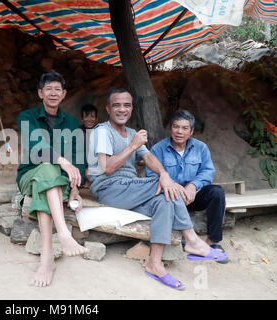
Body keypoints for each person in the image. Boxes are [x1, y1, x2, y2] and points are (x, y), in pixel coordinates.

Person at [87, 88, 228, 290]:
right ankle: (192, 240)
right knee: (169, 187)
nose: (122, 109)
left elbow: (149, 159)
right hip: (110, 187)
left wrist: (163, 173)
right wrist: (132, 147)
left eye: (127, 105)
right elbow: (107, 168)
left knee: (165, 200)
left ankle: (154, 263)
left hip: (129, 189)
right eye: (116, 104)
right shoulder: (103, 131)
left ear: (132, 108)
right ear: (108, 108)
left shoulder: (133, 133)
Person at [16, 70, 88, 287]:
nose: (53, 93)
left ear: (64, 94)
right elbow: (37, 147)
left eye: (58, 89)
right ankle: (64, 234)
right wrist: (63, 162)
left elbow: (79, 160)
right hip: (29, 175)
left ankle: (46, 260)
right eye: (48, 89)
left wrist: (75, 190)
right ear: (40, 93)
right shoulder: (26, 117)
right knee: (47, 169)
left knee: (46, 185)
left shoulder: (72, 122)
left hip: (59, 182)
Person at [146, 110, 228, 259]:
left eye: (184, 128)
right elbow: (152, 176)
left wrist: (193, 186)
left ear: (191, 132)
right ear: (170, 129)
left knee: (217, 192)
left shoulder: (201, 148)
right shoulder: (158, 149)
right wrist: (174, 186)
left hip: (192, 197)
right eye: (176, 127)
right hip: (170, 197)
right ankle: (186, 240)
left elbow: (208, 171)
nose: (179, 132)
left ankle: (212, 241)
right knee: (163, 194)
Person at [80, 103, 98, 188]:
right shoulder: (78, 132)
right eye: (86, 117)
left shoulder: (100, 131)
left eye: (92, 116)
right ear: (82, 119)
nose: (89, 119)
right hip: (83, 165)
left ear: (96, 118)